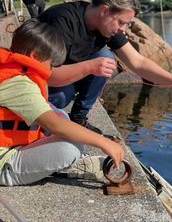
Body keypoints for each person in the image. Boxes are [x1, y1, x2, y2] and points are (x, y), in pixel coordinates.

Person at [39, 0, 172, 134]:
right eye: (122, 22)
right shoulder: (62, 22)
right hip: (33, 80)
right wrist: (90, 67)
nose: (123, 29)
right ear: (104, 11)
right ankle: (37, 124)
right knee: (62, 96)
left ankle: (79, 118)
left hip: (64, 74)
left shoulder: (107, 25)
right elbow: (47, 75)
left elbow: (138, 62)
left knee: (105, 56)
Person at [0, 19, 124, 186]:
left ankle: (61, 164)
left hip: (11, 146)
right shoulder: (19, 84)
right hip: (4, 162)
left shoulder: (12, 70)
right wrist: (103, 142)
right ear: (35, 57)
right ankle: (63, 165)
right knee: (70, 148)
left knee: (59, 113)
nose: (51, 70)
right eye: (51, 65)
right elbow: (55, 125)